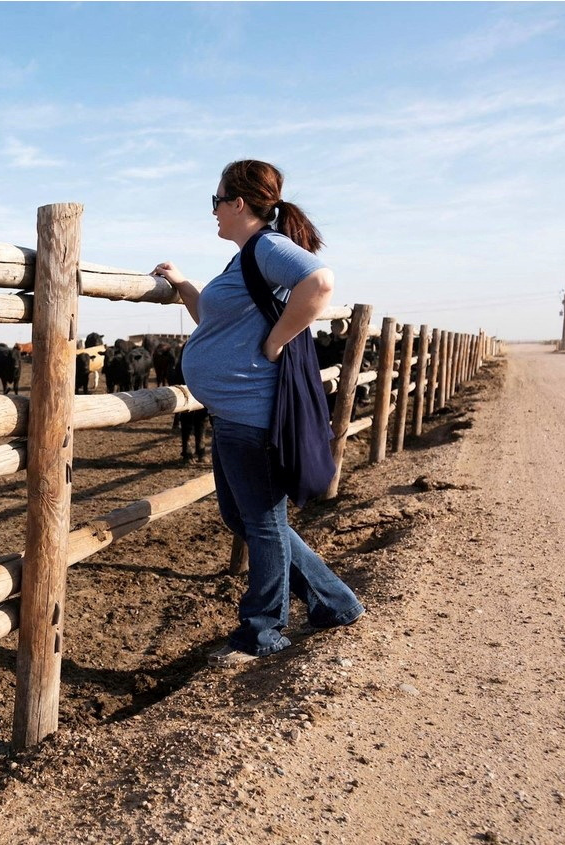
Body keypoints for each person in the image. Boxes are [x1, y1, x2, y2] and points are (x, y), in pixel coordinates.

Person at [152, 159, 364, 665]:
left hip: (252, 413)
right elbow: (216, 322)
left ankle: (263, 632)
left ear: (239, 203)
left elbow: (320, 281)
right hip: (234, 415)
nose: (214, 212)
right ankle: (334, 601)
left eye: (216, 201)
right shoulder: (246, 258)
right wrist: (184, 285)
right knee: (243, 516)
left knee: (264, 523)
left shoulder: (267, 246)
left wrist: (275, 341)